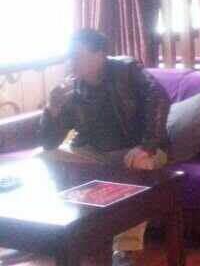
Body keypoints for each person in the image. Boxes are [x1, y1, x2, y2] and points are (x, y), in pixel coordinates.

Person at [40, 29, 171, 266]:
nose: (71, 62)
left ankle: (125, 250)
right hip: (95, 153)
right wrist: (52, 109)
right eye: (69, 56)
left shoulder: (126, 70)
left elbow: (159, 97)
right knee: (46, 157)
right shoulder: (73, 88)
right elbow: (49, 143)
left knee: (138, 165)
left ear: (100, 55)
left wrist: (147, 146)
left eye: (77, 56)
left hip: (140, 149)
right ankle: (73, 233)